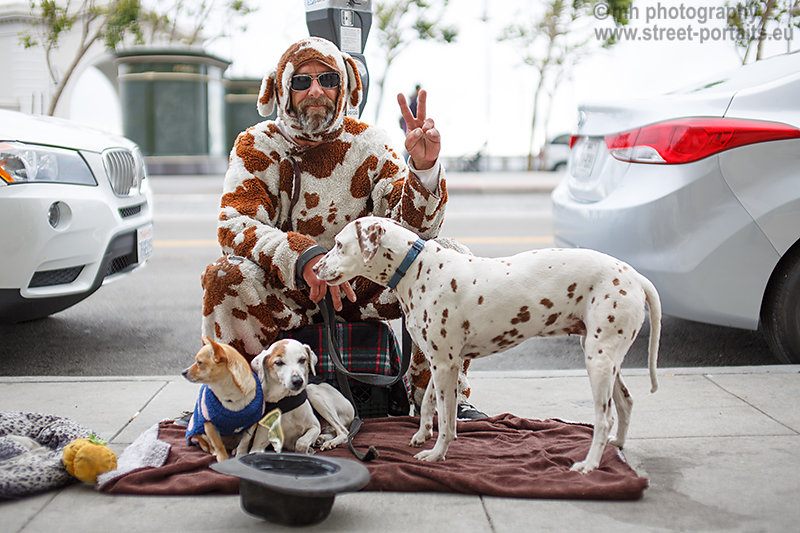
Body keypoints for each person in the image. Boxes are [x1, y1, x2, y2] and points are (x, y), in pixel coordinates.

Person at [200, 37, 484, 419]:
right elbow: (235, 223)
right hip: (287, 292)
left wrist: (424, 171)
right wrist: (301, 256)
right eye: (301, 81)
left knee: (450, 257)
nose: (316, 90)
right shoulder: (257, 144)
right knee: (224, 276)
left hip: (360, 290)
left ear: (345, 86)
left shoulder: (370, 143)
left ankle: (435, 401)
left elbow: (417, 235)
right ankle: (239, 404)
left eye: (328, 78)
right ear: (282, 89)